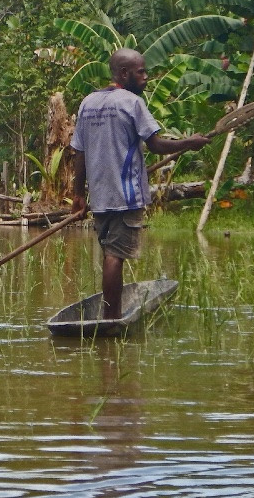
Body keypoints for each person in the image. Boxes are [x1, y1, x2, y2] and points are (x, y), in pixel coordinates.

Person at [70, 49, 209, 319]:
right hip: (126, 196)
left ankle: (110, 313)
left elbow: (79, 152)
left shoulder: (87, 103)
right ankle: (112, 320)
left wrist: (78, 194)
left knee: (110, 253)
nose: (146, 77)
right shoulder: (131, 102)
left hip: (99, 196)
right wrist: (189, 143)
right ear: (124, 74)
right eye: (141, 72)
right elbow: (155, 145)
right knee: (115, 257)